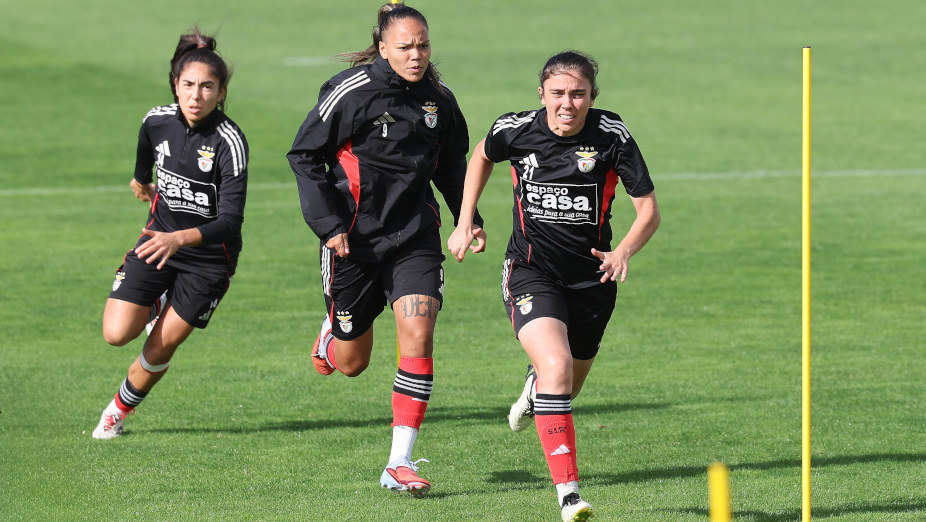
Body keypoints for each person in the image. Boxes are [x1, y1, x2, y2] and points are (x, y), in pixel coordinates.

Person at [447, 50, 660, 522]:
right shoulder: (515, 130)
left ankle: (534, 385)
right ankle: (568, 495)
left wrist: (623, 250)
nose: (568, 103)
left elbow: (648, 210)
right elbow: (481, 154)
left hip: (593, 281)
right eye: (558, 93)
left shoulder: (611, 136)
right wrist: (466, 221)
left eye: (578, 93)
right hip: (531, 269)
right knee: (558, 365)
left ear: (592, 96)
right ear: (541, 94)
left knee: (563, 383)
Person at [286, 2, 482, 497]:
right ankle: (332, 335)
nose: (416, 55)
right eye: (405, 47)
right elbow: (304, 154)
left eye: (423, 45)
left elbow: (451, 165)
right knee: (351, 363)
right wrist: (328, 224)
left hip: (415, 237)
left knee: (418, 333)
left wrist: (467, 216)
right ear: (382, 48)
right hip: (354, 242)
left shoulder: (440, 100)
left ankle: (399, 461)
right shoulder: (350, 93)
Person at [92, 28, 249, 439]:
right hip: (157, 241)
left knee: (160, 346)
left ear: (221, 91)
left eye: (207, 87)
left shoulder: (229, 142)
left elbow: (231, 222)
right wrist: (141, 181)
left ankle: (117, 413)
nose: (196, 96)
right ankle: (158, 295)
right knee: (115, 333)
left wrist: (179, 239)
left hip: (209, 260)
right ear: (175, 86)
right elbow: (145, 154)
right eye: (188, 85)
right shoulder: (156, 120)